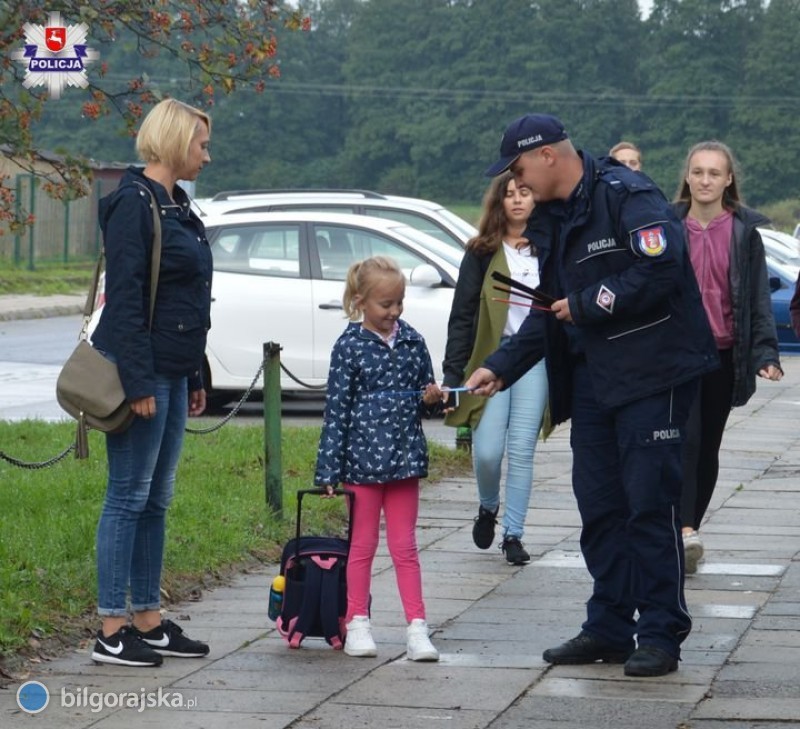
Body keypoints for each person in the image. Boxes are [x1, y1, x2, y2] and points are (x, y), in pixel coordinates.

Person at [465, 113, 719, 677]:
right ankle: (608, 625)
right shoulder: (555, 217)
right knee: (599, 507)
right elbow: (548, 309)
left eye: (519, 167)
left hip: (654, 377)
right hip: (595, 384)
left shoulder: (626, 195)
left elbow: (661, 268)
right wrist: (500, 367)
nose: (516, 180)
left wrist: (588, 304)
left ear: (548, 156)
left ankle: (659, 633)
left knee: (649, 506)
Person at [90, 98, 213, 667]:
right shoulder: (132, 205)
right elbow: (127, 303)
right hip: (142, 374)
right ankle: (112, 628)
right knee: (127, 497)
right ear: (173, 141)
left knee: (157, 499)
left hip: (172, 369)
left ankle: (148, 618)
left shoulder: (178, 206)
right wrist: (138, 380)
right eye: (201, 145)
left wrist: (192, 372)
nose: (206, 157)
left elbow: (186, 299)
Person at [314, 256, 442, 662]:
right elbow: (336, 411)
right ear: (360, 302)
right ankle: (357, 622)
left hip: (404, 461)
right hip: (361, 466)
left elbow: (428, 399)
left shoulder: (413, 341)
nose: (394, 312)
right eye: (386, 304)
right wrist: (328, 469)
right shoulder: (348, 346)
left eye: (399, 302)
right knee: (362, 546)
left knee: (406, 547)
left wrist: (433, 399)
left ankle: (417, 627)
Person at [674, 141, 782, 574]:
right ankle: (682, 532)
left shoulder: (743, 233)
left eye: (713, 173)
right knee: (687, 439)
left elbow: (756, 297)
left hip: (723, 354)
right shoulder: (667, 225)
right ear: (687, 176)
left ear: (728, 179)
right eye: (698, 172)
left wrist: (765, 353)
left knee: (708, 448)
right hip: (678, 355)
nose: (704, 181)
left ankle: (690, 529)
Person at [442, 171, 548, 565]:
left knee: (521, 450)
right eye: (509, 194)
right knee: (487, 451)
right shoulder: (481, 251)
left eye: (525, 192)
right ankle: (488, 506)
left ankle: (513, 534)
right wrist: (453, 377)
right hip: (489, 360)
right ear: (498, 202)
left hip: (534, 360)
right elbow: (462, 316)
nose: (518, 200)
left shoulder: (549, 248)